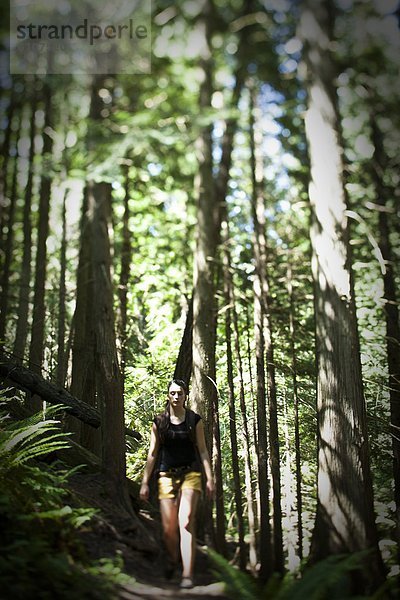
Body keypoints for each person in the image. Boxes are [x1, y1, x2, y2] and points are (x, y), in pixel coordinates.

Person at [139, 378, 215, 589]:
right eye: (172, 393)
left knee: (186, 521)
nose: (176, 397)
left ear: (185, 396)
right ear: (167, 396)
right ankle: (173, 560)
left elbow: (203, 450)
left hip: (191, 474)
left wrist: (210, 478)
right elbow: (152, 453)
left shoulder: (194, 420)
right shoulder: (159, 422)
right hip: (165, 476)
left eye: (179, 393)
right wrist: (145, 482)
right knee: (168, 529)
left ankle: (188, 575)